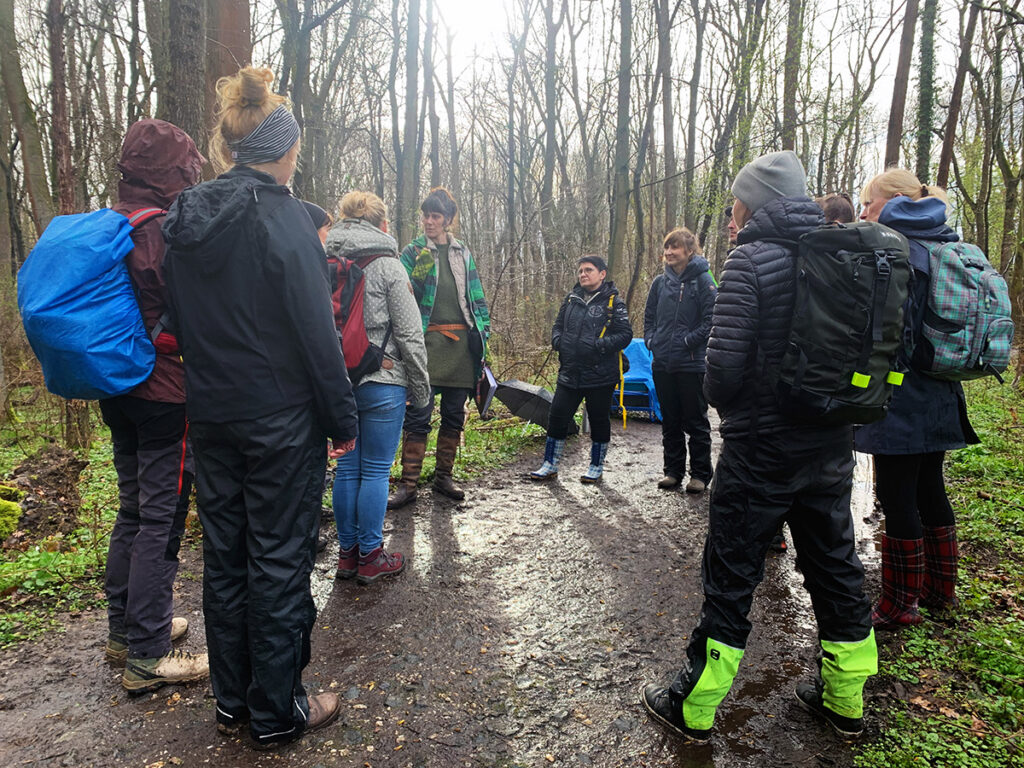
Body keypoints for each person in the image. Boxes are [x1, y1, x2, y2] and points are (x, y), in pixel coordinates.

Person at [641, 150, 877, 742]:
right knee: (834, 565)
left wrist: (737, 411)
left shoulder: (750, 260)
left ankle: (694, 704)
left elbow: (720, 369)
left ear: (758, 204)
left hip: (761, 449)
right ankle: (846, 698)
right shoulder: (846, 255)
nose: (728, 219)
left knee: (733, 570)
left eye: (735, 205)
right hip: (829, 445)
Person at [162, 66, 357, 749]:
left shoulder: (184, 218)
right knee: (277, 560)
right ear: (283, 148)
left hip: (212, 414)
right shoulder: (283, 217)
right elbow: (316, 335)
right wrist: (343, 420)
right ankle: (278, 711)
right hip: (279, 420)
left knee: (228, 556)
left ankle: (234, 701)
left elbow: (178, 321)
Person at [101, 119, 209, 693]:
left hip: (114, 387)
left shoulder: (110, 224)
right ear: (175, 172)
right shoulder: (163, 232)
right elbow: (191, 314)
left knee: (133, 508)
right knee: (160, 520)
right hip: (165, 394)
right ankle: (147, 653)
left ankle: (125, 631)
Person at [854, 168, 979, 630]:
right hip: (943, 389)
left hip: (904, 397)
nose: (863, 211)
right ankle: (940, 590)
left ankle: (898, 603)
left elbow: (894, 335)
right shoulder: (946, 244)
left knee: (896, 492)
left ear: (894, 203)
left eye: (869, 203)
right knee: (930, 487)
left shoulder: (898, 251)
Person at [326, 192, 430, 584]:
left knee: (346, 468)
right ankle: (371, 555)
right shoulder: (388, 266)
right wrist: (422, 389)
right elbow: (409, 334)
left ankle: (347, 556)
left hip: (337, 381)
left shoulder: (321, 260)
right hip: (383, 382)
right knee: (375, 471)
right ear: (382, 225)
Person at [388, 187, 491, 508]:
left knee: (453, 417)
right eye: (425, 215)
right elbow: (405, 296)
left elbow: (477, 300)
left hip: (461, 350)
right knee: (418, 416)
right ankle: (408, 484)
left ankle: (444, 477)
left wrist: (484, 331)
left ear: (447, 220)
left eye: (435, 216)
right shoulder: (415, 251)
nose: (428, 222)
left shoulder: (462, 253)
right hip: (425, 347)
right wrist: (420, 267)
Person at [530, 255, 632, 483]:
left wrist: (598, 346)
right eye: (580, 271)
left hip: (600, 374)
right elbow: (557, 326)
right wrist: (558, 341)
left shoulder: (614, 302)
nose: (583, 274)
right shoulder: (571, 299)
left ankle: (596, 466)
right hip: (570, 371)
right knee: (557, 416)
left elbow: (625, 335)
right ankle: (550, 464)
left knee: (598, 419)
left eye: (588, 270)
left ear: (602, 274)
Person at [643, 227, 715, 493]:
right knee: (670, 420)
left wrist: (687, 342)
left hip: (692, 364)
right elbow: (648, 317)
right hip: (662, 363)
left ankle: (700, 475)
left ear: (689, 250)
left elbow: (711, 320)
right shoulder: (659, 283)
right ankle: (672, 472)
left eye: (675, 247)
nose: (670, 252)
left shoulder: (704, 280)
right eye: (667, 248)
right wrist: (652, 340)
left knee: (696, 422)